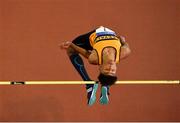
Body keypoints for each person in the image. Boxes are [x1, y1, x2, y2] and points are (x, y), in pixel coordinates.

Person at [60, 26, 131, 106]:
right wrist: (123, 42)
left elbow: (87, 53)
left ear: (100, 67)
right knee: (105, 68)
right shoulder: (124, 52)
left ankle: (89, 84)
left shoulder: (95, 58)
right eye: (112, 71)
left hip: (95, 36)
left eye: (107, 69)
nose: (111, 67)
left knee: (70, 51)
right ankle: (105, 85)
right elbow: (126, 45)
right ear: (116, 68)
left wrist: (72, 45)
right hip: (109, 34)